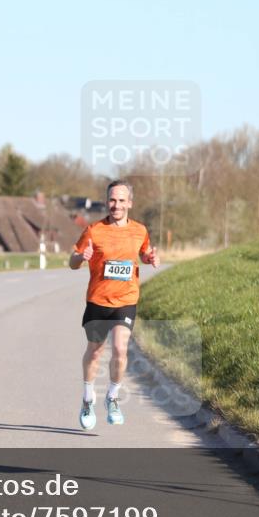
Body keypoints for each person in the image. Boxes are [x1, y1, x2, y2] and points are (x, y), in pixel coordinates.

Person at [69, 180, 159, 430]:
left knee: (120, 349)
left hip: (126, 299)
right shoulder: (93, 230)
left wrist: (150, 257)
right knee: (95, 352)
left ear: (129, 203)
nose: (116, 205)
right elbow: (72, 262)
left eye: (121, 200)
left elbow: (143, 252)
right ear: (106, 201)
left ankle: (112, 397)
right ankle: (88, 398)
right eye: (112, 200)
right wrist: (80, 257)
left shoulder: (140, 230)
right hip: (98, 300)